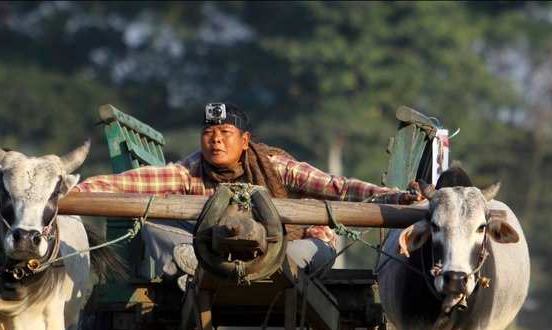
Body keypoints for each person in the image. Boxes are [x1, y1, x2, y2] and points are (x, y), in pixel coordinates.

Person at [75, 102, 423, 284]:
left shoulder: (276, 166)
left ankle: (228, 273)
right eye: (209, 132)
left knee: (318, 249)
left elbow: (337, 187)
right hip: (207, 255)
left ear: (245, 141)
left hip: (285, 253)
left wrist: (394, 198)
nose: (215, 139)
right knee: (152, 224)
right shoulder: (190, 170)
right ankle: (196, 268)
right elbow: (132, 184)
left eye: (226, 132)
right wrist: (75, 190)